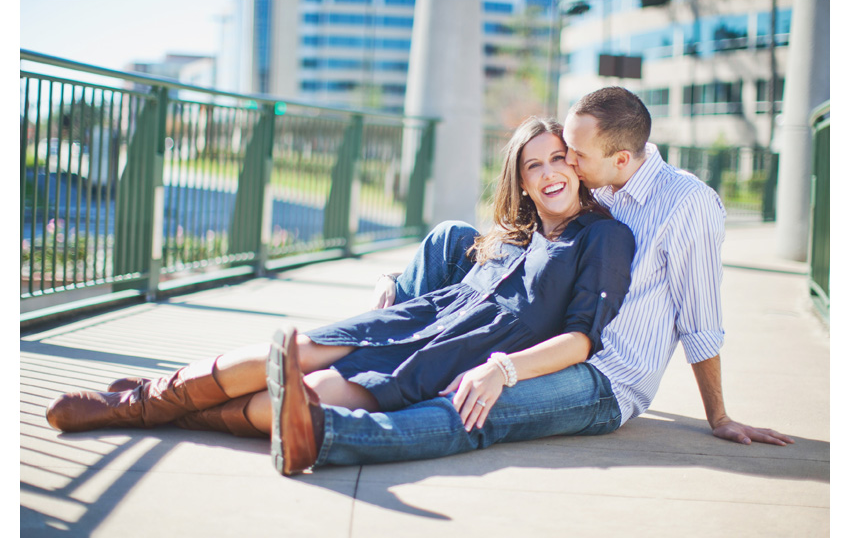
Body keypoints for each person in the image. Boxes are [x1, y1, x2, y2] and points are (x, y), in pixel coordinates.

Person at [45, 117, 637, 477]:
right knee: (294, 349)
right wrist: (395, 286)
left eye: (559, 158)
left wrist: (503, 370)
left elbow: (582, 338)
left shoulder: (603, 236)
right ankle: (131, 404)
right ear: (522, 179)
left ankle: (174, 408)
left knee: (304, 401)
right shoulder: (517, 233)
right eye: (534, 165)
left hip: (448, 358)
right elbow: (452, 257)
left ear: (579, 166)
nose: (549, 172)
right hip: (418, 321)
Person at [270, 86, 793, 476]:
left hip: (605, 375)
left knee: (476, 412)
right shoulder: (600, 183)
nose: (565, 164)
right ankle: (380, 365)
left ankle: (326, 432)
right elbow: (524, 248)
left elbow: (700, 318)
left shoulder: (688, 204)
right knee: (452, 240)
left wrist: (719, 416)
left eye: (573, 156)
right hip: (547, 337)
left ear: (621, 158)